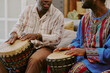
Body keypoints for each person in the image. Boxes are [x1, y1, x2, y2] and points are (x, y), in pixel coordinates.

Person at [0, 0, 64, 73]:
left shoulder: (58, 15)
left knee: (35, 59)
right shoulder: (27, 10)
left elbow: (57, 38)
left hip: (45, 47)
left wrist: (38, 36)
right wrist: (14, 33)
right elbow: (18, 26)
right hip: (26, 46)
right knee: (2, 56)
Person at [54, 0, 110, 73]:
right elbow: (78, 40)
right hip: (84, 60)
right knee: (56, 66)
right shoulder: (85, 18)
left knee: (77, 70)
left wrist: (86, 52)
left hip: (103, 65)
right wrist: (71, 47)